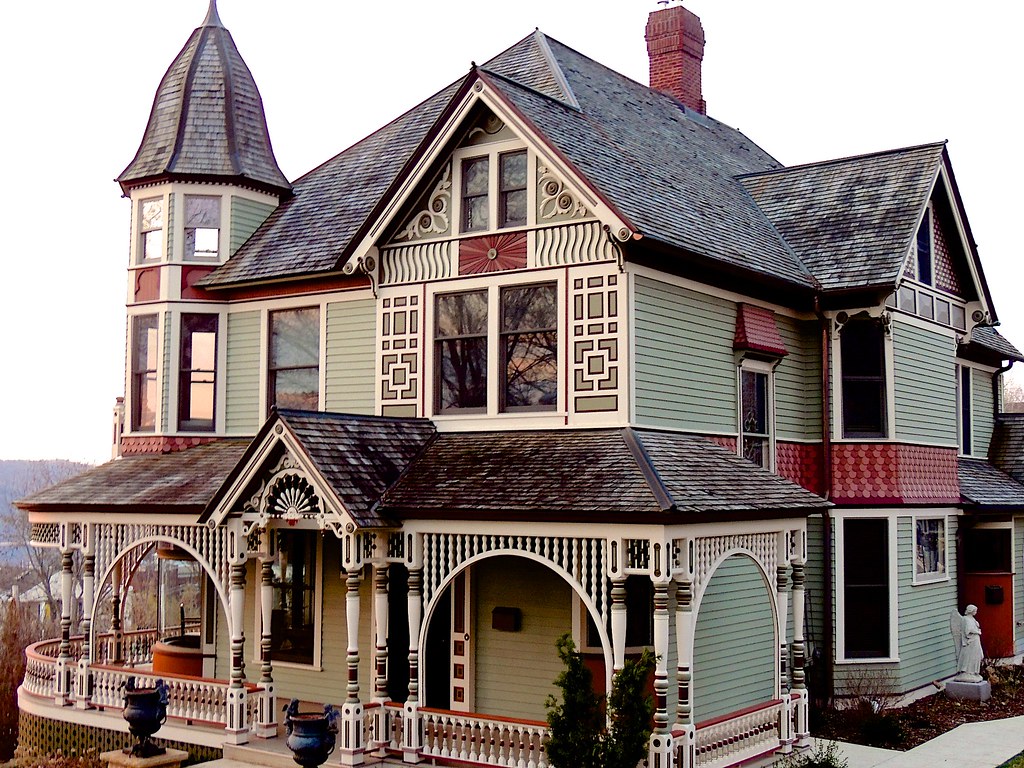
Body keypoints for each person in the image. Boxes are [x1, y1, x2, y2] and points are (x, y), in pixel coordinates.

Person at [957, 604, 984, 681]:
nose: (976, 612)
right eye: (975, 611)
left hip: (976, 640)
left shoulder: (973, 619)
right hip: (970, 641)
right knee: (970, 656)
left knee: (976, 655)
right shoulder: (965, 619)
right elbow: (967, 630)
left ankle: (974, 672)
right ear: (970, 611)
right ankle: (967, 672)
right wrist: (977, 631)